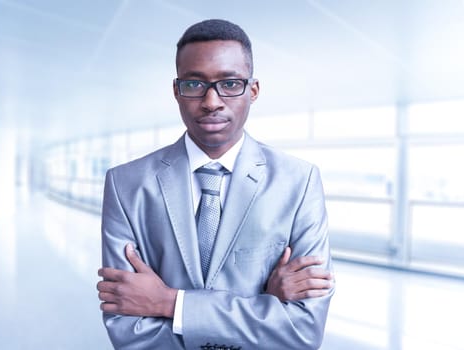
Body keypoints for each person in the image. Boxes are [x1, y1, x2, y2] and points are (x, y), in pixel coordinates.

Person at [97, 19, 335, 350]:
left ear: (252, 90)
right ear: (176, 91)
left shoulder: (299, 182)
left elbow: (303, 331)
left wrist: (170, 304)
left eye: (230, 84)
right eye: (194, 84)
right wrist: (265, 304)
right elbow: (128, 330)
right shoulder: (126, 184)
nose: (211, 102)